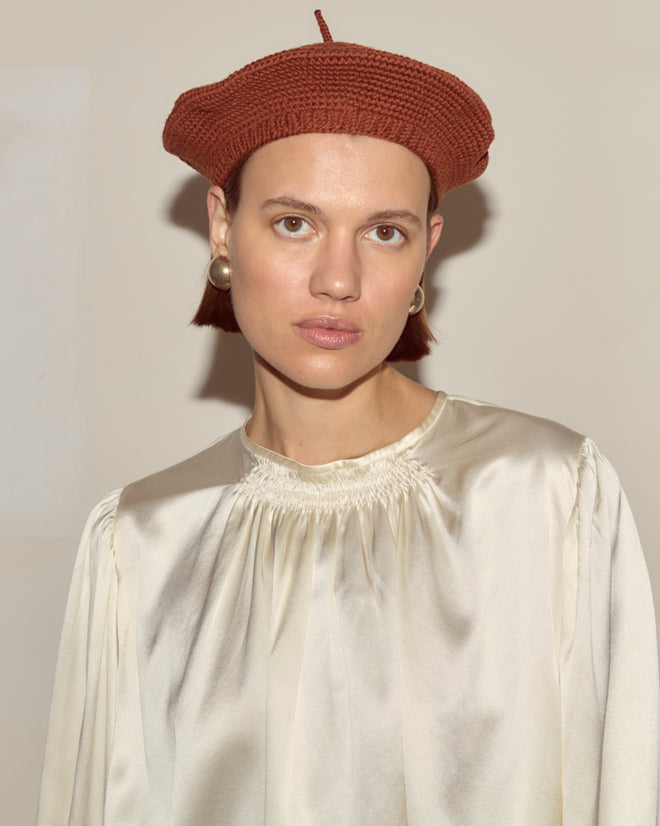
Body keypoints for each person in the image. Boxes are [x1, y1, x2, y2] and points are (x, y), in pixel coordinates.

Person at [37, 10, 659, 825]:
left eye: (385, 232)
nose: (340, 278)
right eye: (294, 223)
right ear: (222, 227)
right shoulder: (138, 545)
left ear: (426, 249)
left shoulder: (549, 496)